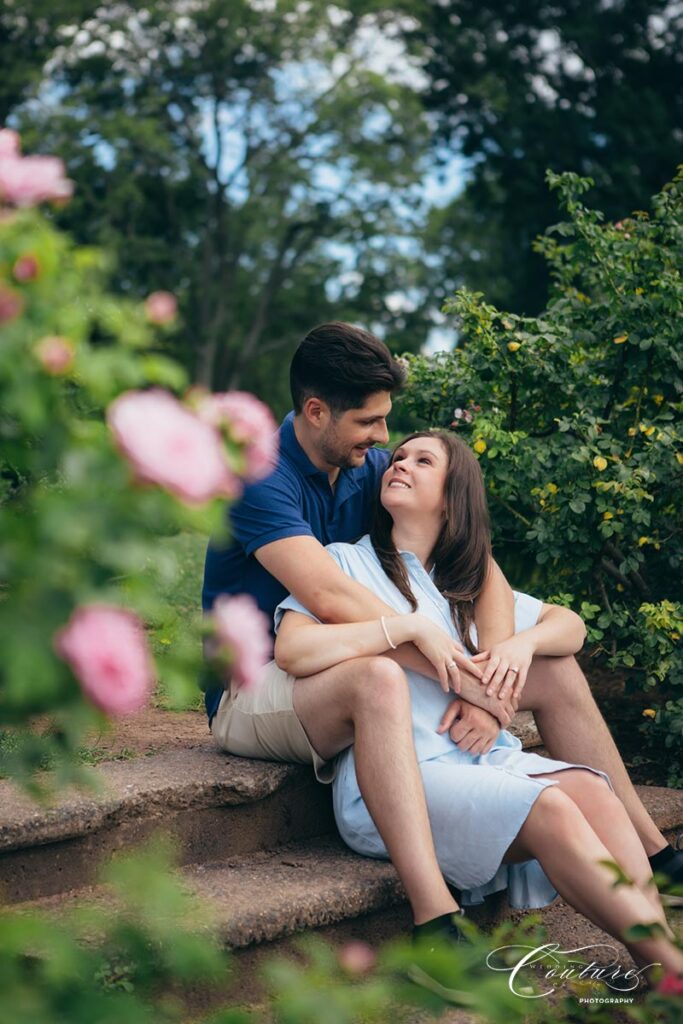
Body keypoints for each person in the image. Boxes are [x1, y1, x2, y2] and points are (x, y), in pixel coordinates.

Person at [202, 321, 683, 939]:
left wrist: (501, 678)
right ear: (316, 411)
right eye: (370, 423)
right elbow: (326, 594)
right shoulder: (259, 473)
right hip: (263, 679)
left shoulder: (368, 466)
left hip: (351, 658)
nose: (384, 440)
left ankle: (652, 855)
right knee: (377, 675)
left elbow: (484, 574)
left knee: (553, 670)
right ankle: (434, 914)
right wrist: (463, 677)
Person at [272, 429, 683, 979]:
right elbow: (293, 647)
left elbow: (570, 628)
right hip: (402, 782)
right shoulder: (345, 562)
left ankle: (653, 970)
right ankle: (674, 977)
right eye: (398, 458)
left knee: (594, 790)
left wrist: (517, 643)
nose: (399, 465)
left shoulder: (466, 581)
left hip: (480, 762)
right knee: (553, 805)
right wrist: (401, 631)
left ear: (452, 497)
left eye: (423, 461)